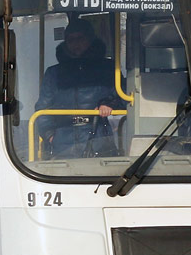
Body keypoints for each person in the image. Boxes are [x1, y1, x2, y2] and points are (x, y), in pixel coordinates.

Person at [35, 19, 124, 158]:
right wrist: (49, 135)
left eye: (80, 38)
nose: (75, 44)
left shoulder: (107, 69)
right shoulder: (54, 73)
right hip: (63, 141)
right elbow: (42, 108)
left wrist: (108, 103)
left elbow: (124, 98)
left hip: (98, 139)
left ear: (90, 39)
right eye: (70, 40)